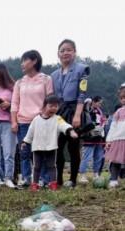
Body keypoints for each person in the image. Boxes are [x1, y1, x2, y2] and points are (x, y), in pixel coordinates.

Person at [11, 50, 54, 186]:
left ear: (34, 60)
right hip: (23, 121)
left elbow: (50, 101)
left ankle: (43, 179)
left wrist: (47, 118)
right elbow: (14, 103)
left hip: (41, 121)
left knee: (42, 151)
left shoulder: (46, 79)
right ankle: (26, 178)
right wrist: (13, 121)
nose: (22, 64)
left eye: (25, 60)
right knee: (24, 152)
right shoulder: (19, 82)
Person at [51, 39, 90, 187]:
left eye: (69, 49)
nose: (65, 53)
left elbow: (82, 93)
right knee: (58, 146)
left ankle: (73, 179)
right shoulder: (53, 75)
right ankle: (58, 179)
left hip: (75, 109)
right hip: (59, 111)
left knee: (73, 147)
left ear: (74, 52)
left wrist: (77, 115)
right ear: (58, 54)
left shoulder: (82, 69)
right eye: (62, 50)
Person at [21, 95, 78, 191]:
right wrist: (25, 142)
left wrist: (70, 131)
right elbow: (30, 132)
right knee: (37, 166)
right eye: (51, 106)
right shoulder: (36, 119)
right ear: (44, 106)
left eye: (56, 106)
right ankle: (34, 184)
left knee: (52, 166)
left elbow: (64, 125)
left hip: (51, 147)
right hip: (38, 147)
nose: (54, 108)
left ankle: (53, 184)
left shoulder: (58, 118)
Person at [79, 96, 106, 183]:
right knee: (87, 156)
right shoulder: (87, 111)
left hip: (99, 136)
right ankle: (82, 175)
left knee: (98, 156)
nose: (100, 105)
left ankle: (96, 174)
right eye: (99, 103)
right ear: (94, 102)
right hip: (89, 137)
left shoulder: (100, 111)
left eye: (101, 103)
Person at [105, 86, 125, 188]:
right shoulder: (118, 112)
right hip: (118, 139)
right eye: (122, 98)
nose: (123, 100)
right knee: (115, 160)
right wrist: (109, 140)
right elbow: (112, 127)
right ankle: (113, 179)